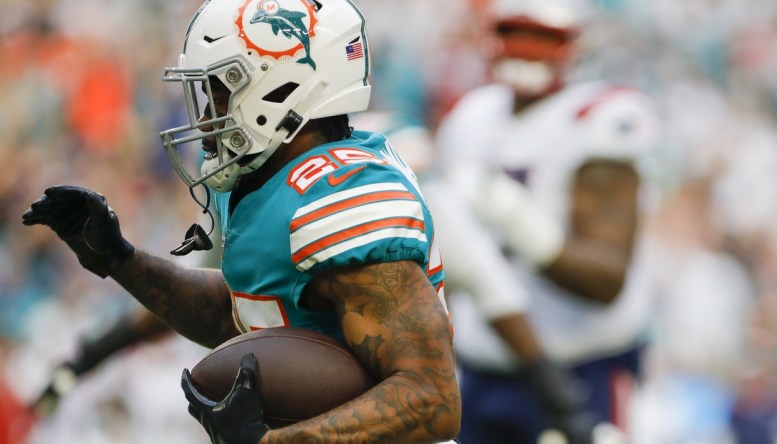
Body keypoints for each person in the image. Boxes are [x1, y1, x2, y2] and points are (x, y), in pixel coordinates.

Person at [22, 0, 461, 443]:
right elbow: (244, 313)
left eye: (217, 93)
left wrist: (269, 442)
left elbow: (431, 399)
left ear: (281, 89)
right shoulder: (271, 179)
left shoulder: (342, 197)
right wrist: (121, 260)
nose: (206, 118)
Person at [432, 0, 661, 442]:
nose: (526, 49)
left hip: (579, 368)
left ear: (575, 44)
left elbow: (605, 279)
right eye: (516, 32)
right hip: (479, 367)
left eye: (543, 37)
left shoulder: (600, 118)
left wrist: (508, 212)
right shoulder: (470, 116)